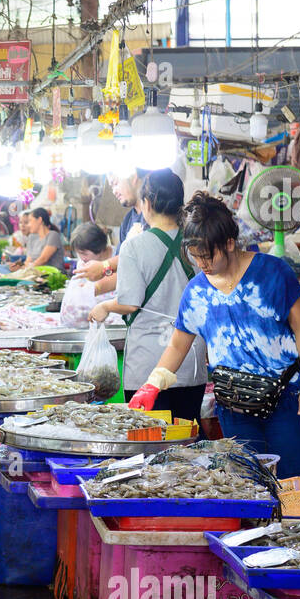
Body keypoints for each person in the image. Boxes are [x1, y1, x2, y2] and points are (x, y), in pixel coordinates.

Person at [129, 193, 300, 477]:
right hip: (234, 406)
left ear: (229, 243)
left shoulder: (273, 271)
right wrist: (152, 384)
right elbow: (178, 345)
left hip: (287, 399)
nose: (203, 264)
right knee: (247, 484)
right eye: (196, 256)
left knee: (291, 481)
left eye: (208, 256)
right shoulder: (196, 291)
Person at [89, 169, 208, 421]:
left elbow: (129, 303)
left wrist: (106, 307)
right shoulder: (196, 241)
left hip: (149, 365)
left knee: (150, 443)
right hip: (190, 362)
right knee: (186, 442)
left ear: (148, 203)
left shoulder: (135, 246)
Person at [16, 207, 66, 271]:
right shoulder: (32, 237)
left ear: (39, 220)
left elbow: (43, 259)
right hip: (35, 274)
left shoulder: (53, 235)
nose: (28, 225)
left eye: (30, 221)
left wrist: (27, 269)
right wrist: (21, 269)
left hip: (51, 276)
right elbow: (28, 260)